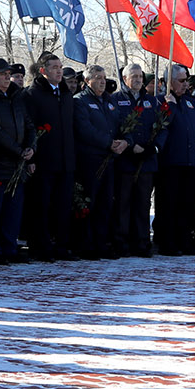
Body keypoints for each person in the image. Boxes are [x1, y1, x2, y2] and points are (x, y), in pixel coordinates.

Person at [0, 58, 36, 264]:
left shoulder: (16, 97)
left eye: (8, 74)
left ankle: (9, 247)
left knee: (14, 209)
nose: (7, 78)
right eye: (3, 74)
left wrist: (31, 148)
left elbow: (29, 125)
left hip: (18, 164)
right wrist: (19, 151)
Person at [23, 53, 76, 261]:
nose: (59, 71)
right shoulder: (32, 95)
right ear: (43, 71)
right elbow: (29, 128)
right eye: (54, 67)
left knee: (63, 206)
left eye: (61, 67)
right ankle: (41, 247)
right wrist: (31, 158)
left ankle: (61, 245)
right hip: (44, 160)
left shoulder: (65, 94)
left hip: (65, 160)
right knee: (41, 206)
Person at [153, 64, 195, 256]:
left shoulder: (191, 102)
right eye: (182, 81)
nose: (186, 85)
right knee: (169, 204)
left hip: (190, 161)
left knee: (187, 204)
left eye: (187, 81)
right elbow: (162, 126)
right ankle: (168, 242)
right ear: (170, 82)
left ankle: (184, 240)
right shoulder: (161, 102)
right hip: (170, 162)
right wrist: (171, 107)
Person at [72, 64, 124, 258]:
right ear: (87, 81)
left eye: (104, 77)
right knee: (89, 203)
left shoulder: (109, 101)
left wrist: (123, 141)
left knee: (105, 203)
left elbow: (119, 124)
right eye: (98, 77)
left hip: (110, 159)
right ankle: (86, 244)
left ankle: (101, 243)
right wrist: (109, 142)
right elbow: (85, 130)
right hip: (90, 160)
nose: (103, 81)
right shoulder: (80, 101)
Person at [112, 64, 157, 258]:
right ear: (124, 78)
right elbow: (113, 126)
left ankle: (142, 242)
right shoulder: (115, 100)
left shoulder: (151, 101)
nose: (139, 80)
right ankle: (121, 242)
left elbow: (162, 126)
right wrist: (130, 146)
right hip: (125, 160)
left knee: (143, 203)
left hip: (146, 160)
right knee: (123, 202)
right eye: (134, 76)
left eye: (140, 76)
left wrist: (152, 148)